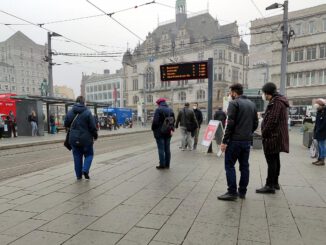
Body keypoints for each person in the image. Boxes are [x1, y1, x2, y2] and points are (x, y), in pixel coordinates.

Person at [218, 83, 258, 201]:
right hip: (246, 141)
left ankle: (231, 192)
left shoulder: (234, 103)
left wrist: (224, 142)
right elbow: (255, 123)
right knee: (244, 166)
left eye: (230, 93)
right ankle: (242, 192)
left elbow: (229, 124)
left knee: (229, 165)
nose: (230, 95)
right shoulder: (252, 104)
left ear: (234, 92)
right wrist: (247, 133)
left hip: (234, 141)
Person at [256, 82, 289, 194]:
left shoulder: (276, 102)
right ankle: (274, 183)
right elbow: (272, 117)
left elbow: (272, 120)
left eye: (264, 93)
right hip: (276, 136)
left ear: (267, 93)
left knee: (271, 161)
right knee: (275, 160)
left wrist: (263, 133)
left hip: (273, 137)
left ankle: (269, 185)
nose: (263, 95)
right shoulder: (278, 101)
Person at [64, 96, 98, 180]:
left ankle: (78, 176)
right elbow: (92, 127)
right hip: (86, 140)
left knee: (77, 157)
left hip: (73, 139)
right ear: (84, 102)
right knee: (89, 154)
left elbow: (65, 124)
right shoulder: (87, 112)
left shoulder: (70, 112)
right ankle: (85, 169)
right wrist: (95, 135)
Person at [151, 98, 175, 169]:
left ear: (159, 103)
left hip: (159, 132)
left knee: (161, 148)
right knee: (167, 148)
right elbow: (173, 121)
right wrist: (172, 129)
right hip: (168, 131)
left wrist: (153, 128)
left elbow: (155, 121)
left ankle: (162, 164)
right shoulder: (170, 110)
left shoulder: (158, 110)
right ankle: (167, 164)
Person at [312, 98, 326, 166]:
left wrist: (319, 129)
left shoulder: (325, 112)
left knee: (322, 146)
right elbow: (317, 123)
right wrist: (315, 130)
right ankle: (319, 159)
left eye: (318, 105)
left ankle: (322, 160)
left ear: (322, 105)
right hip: (318, 132)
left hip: (323, 132)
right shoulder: (319, 112)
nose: (317, 107)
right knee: (319, 146)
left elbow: (324, 123)